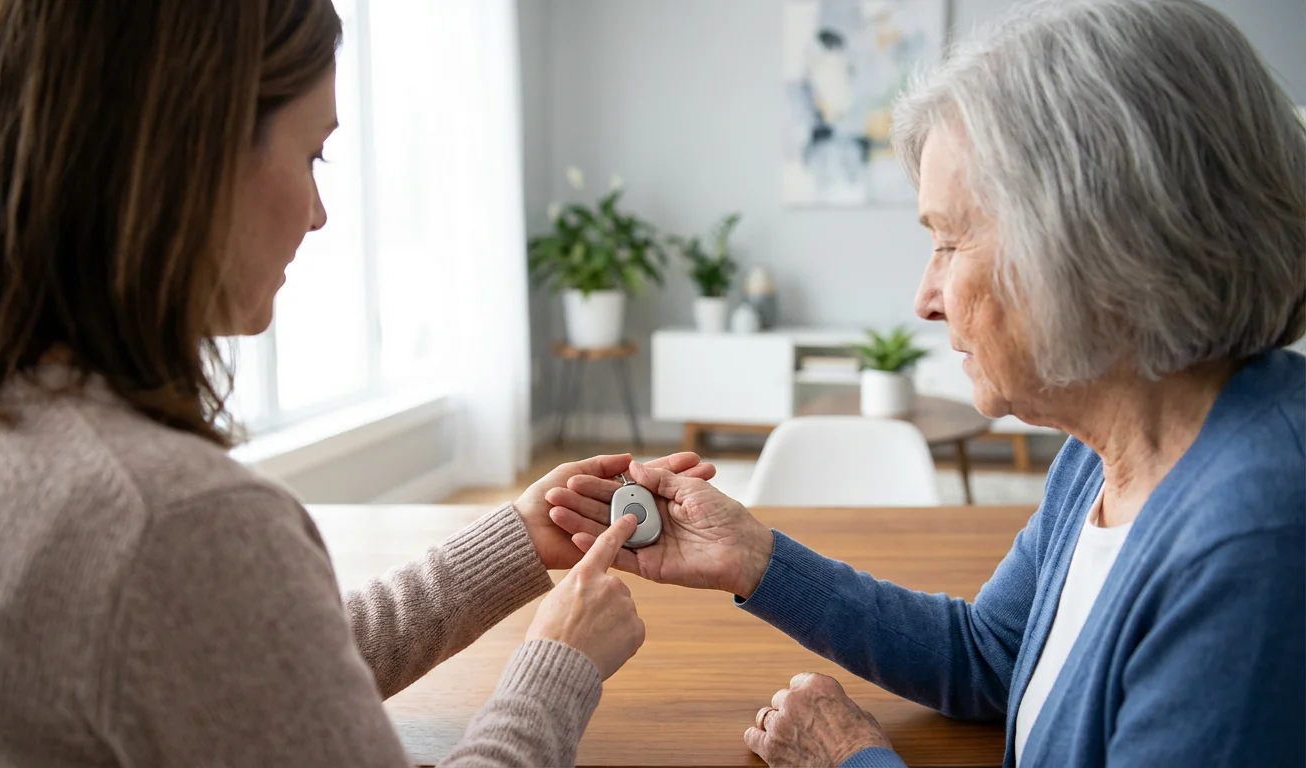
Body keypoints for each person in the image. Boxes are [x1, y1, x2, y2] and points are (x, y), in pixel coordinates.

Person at [0, 1, 711, 765]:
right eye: (313, 156)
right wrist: (558, 667)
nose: (319, 214)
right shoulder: (170, 520)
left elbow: (249, 681)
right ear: (186, 158)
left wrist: (512, 540)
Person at [548, 0, 1306, 765]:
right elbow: (994, 655)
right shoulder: (1104, 448)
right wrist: (752, 554)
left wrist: (851, 756)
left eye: (949, 241)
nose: (924, 299)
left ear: (1103, 243)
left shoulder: (1250, 543)